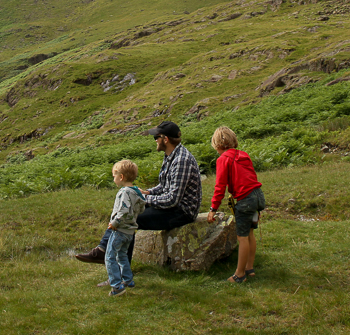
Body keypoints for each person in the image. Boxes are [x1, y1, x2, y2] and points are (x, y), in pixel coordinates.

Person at [74, 120, 202, 265]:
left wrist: (142, 199)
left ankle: (119, 269)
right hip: (173, 207)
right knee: (128, 210)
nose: (154, 140)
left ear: (165, 139)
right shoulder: (171, 155)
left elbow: (172, 200)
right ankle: (103, 251)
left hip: (182, 212)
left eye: (156, 137)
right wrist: (147, 192)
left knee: (131, 218)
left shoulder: (181, 161)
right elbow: (164, 186)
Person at [206, 126, 266, 283]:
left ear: (217, 144)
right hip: (258, 196)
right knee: (250, 233)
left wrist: (213, 209)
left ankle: (239, 274)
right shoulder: (243, 155)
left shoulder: (223, 159)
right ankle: (249, 268)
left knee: (242, 237)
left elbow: (220, 187)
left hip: (245, 200)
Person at [105, 159, 146, 296]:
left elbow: (123, 210)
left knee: (110, 256)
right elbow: (141, 208)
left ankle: (117, 286)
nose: (114, 178)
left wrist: (115, 223)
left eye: (114, 176)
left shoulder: (124, 192)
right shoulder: (136, 192)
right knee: (122, 254)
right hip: (130, 231)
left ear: (121, 177)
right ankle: (128, 280)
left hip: (120, 230)